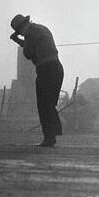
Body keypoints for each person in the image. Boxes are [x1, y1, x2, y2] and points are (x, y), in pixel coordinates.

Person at [10, 14, 63, 147]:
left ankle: (50, 137)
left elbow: (28, 54)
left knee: (43, 105)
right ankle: (54, 131)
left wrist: (17, 41)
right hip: (57, 67)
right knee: (50, 104)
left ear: (21, 28)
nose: (21, 35)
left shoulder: (30, 34)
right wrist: (20, 41)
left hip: (46, 69)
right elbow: (32, 48)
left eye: (20, 33)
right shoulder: (41, 29)